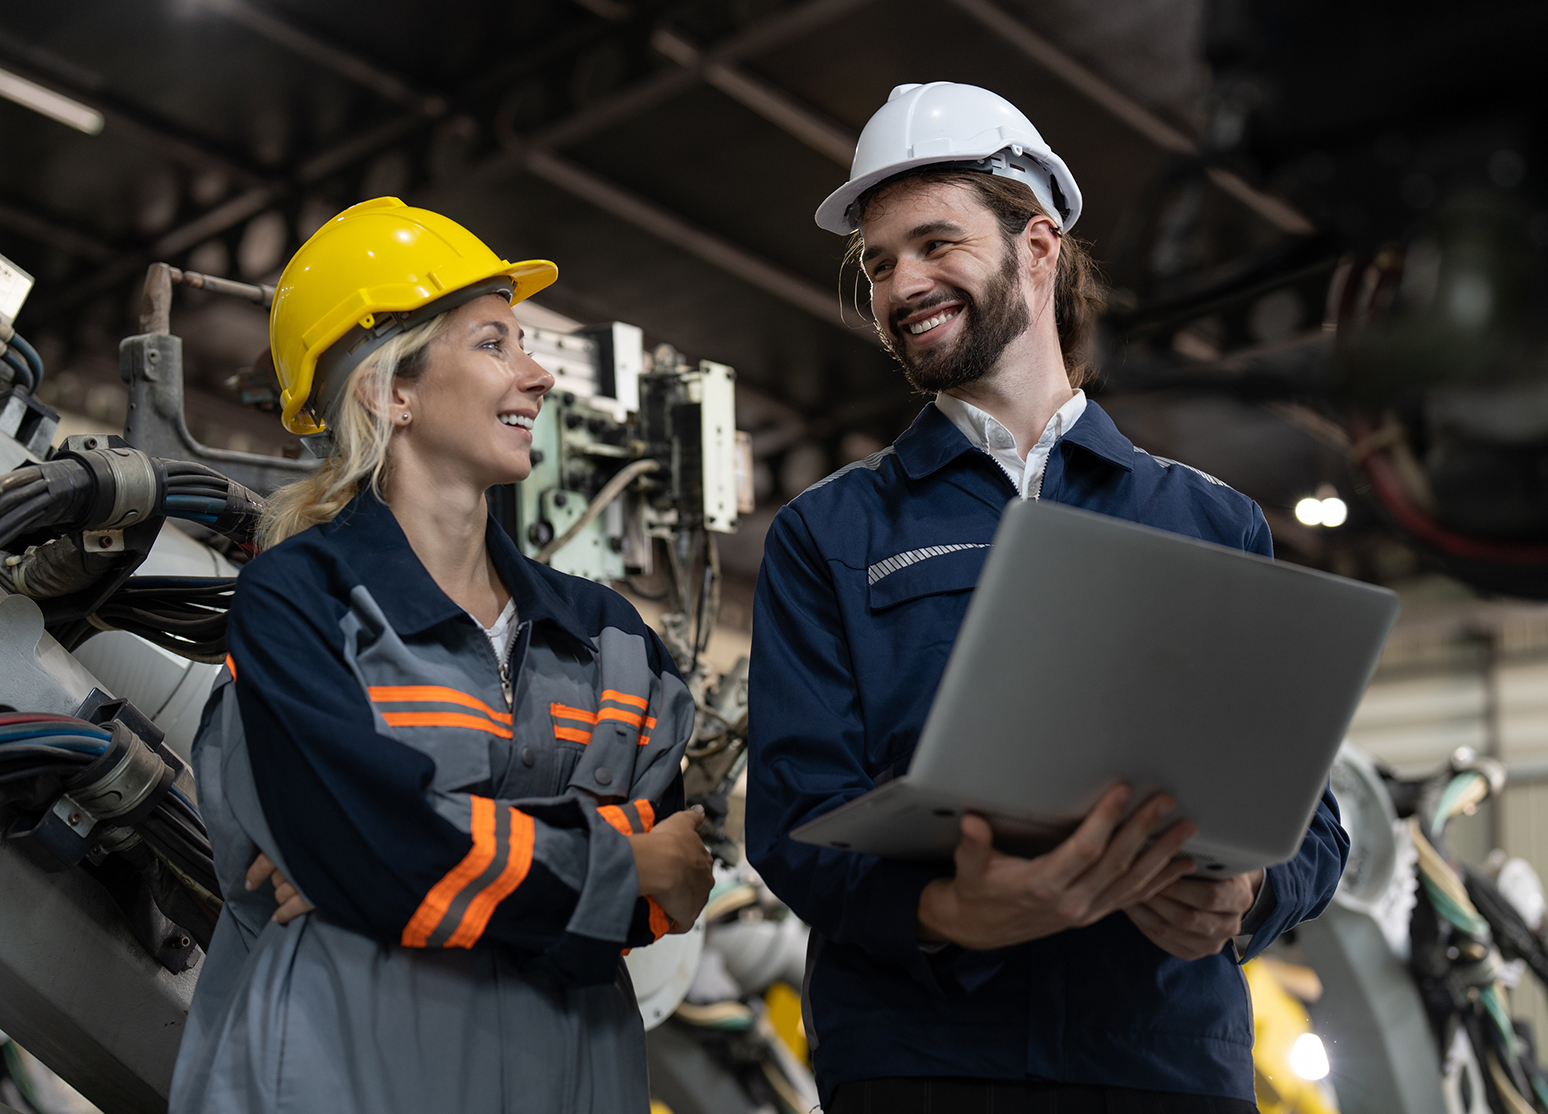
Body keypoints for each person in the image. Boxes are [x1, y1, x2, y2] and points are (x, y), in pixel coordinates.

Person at [745, 83, 1348, 1113]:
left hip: (1159, 1058)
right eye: (880, 262)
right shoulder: (828, 533)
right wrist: (948, 910)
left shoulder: (1209, 521)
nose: (902, 284)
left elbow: (1308, 814)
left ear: (1038, 245)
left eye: (937, 243)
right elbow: (796, 818)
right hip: (923, 1062)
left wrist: (1247, 897)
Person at [168, 197, 713, 1113]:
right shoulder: (300, 601)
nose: (538, 375)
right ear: (392, 391)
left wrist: (412, 864)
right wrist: (613, 864)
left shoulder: (610, 635)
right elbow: (375, 850)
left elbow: (680, 879)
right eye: (495, 342)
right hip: (342, 1077)